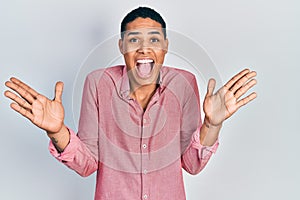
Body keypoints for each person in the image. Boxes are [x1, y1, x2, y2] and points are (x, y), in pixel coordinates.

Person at [4, 6, 257, 200]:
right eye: (134, 40)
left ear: (166, 46)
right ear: (122, 45)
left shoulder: (184, 83)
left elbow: (192, 164)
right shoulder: (98, 83)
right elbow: (87, 165)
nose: (145, 49)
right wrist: (57, 131)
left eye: (154, 40)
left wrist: (212, 125)